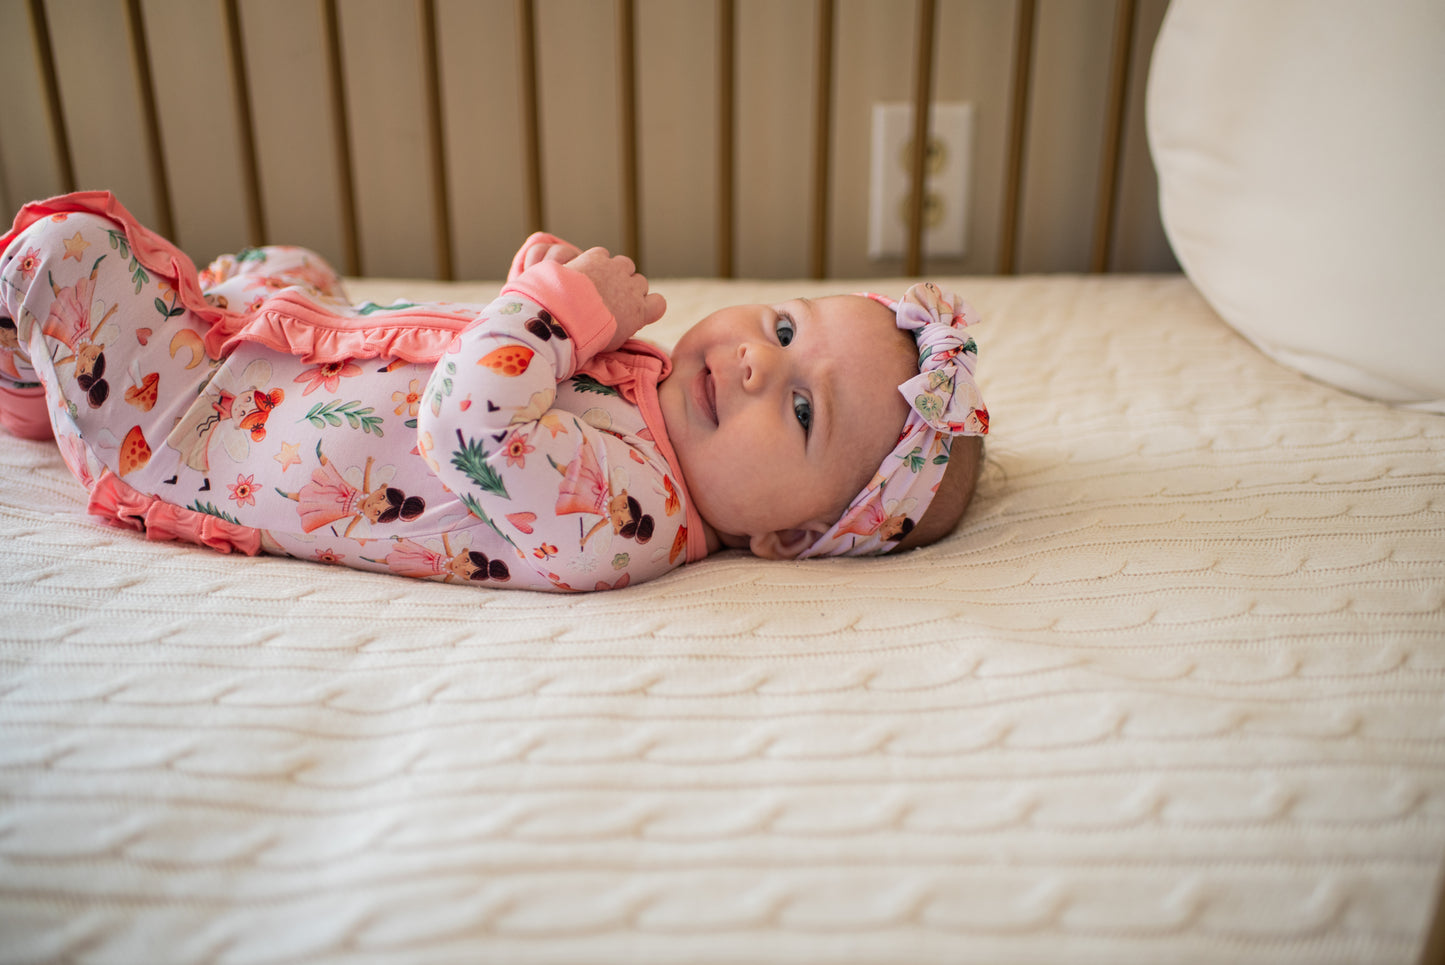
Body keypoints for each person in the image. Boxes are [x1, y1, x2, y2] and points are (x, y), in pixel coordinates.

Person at [0, 191, 987, 591]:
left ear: (787, 537)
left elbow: (466, 421)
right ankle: (55, 375)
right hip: (289, 357)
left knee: (62, 249)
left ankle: (45, 376)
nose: (756, 364)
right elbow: (489, 347)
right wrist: (539, 295)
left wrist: (554, 312)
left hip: (190, 434)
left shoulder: (633, 517)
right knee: (285, 263)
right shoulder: (651, 401)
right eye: (780, 327)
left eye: (803, 409)